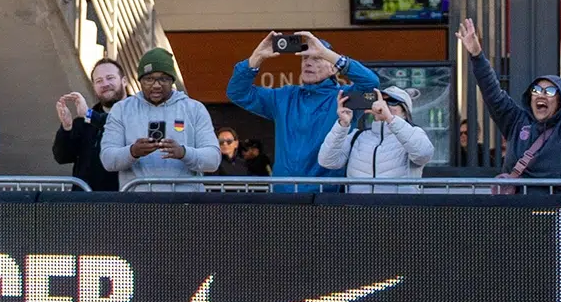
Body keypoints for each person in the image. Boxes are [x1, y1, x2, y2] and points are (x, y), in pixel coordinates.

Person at [226, 29, 381, 186]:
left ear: (333, 68)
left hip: (325, 197)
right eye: (305, 57)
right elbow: (237, 93)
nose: (308, 62)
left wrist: (327, 53)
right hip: (284, 196)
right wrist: (256, 57)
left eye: (317, 58)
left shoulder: (345, 98)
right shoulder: (284, 97)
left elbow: (371, 83)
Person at [459, 18, 561, 186]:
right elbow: (492, 93)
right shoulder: (516, 121)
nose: (541, 95)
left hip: (559, 208)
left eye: (549, 91)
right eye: (536, 91)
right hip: (518, 209)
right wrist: (477, 56)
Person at [100, 48, 220, 191]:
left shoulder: (194, 109)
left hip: (186, 203)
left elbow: (213, 160)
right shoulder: (121, 110)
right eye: (149, 79)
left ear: (172, 81)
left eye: (163, 79)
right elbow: (107, 159)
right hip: (138, 204)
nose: (156, 85)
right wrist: (132, 151)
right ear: (139, 81)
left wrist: (184, 153)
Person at [318, 86, 434, 192]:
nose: (384, 105)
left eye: (392, 102)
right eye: (381, 101)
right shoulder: (357, 136)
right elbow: (327, 161)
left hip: (399, 211)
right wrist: (342, 124)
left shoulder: (414, 133)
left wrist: (390, 119)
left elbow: (423, 154)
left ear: (405, 110)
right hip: (359, 210)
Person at [53, 57, 125, 191]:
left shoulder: (137, 114)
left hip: (123, 202)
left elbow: (115, 123)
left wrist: (89, 115)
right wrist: (67, 127)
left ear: (124, 81)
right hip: (85, 203)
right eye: (99, 81)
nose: (105, 84)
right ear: (94, 87)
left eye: (110, 78)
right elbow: (62, 157)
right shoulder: (83, 120)